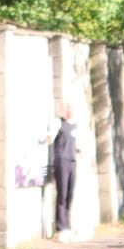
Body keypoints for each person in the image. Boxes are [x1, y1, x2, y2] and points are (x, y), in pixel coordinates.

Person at [51, 102, 79, 241]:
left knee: (70, 195)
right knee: (62, 194)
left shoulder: (76, 126)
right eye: (68, 108)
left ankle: (67, 226)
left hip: (72, 161)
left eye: (72, 108)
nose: (70, 111)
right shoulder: (59, 123)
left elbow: (77, 144)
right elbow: (50, 137)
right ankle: (60, 227)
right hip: (61, 160)